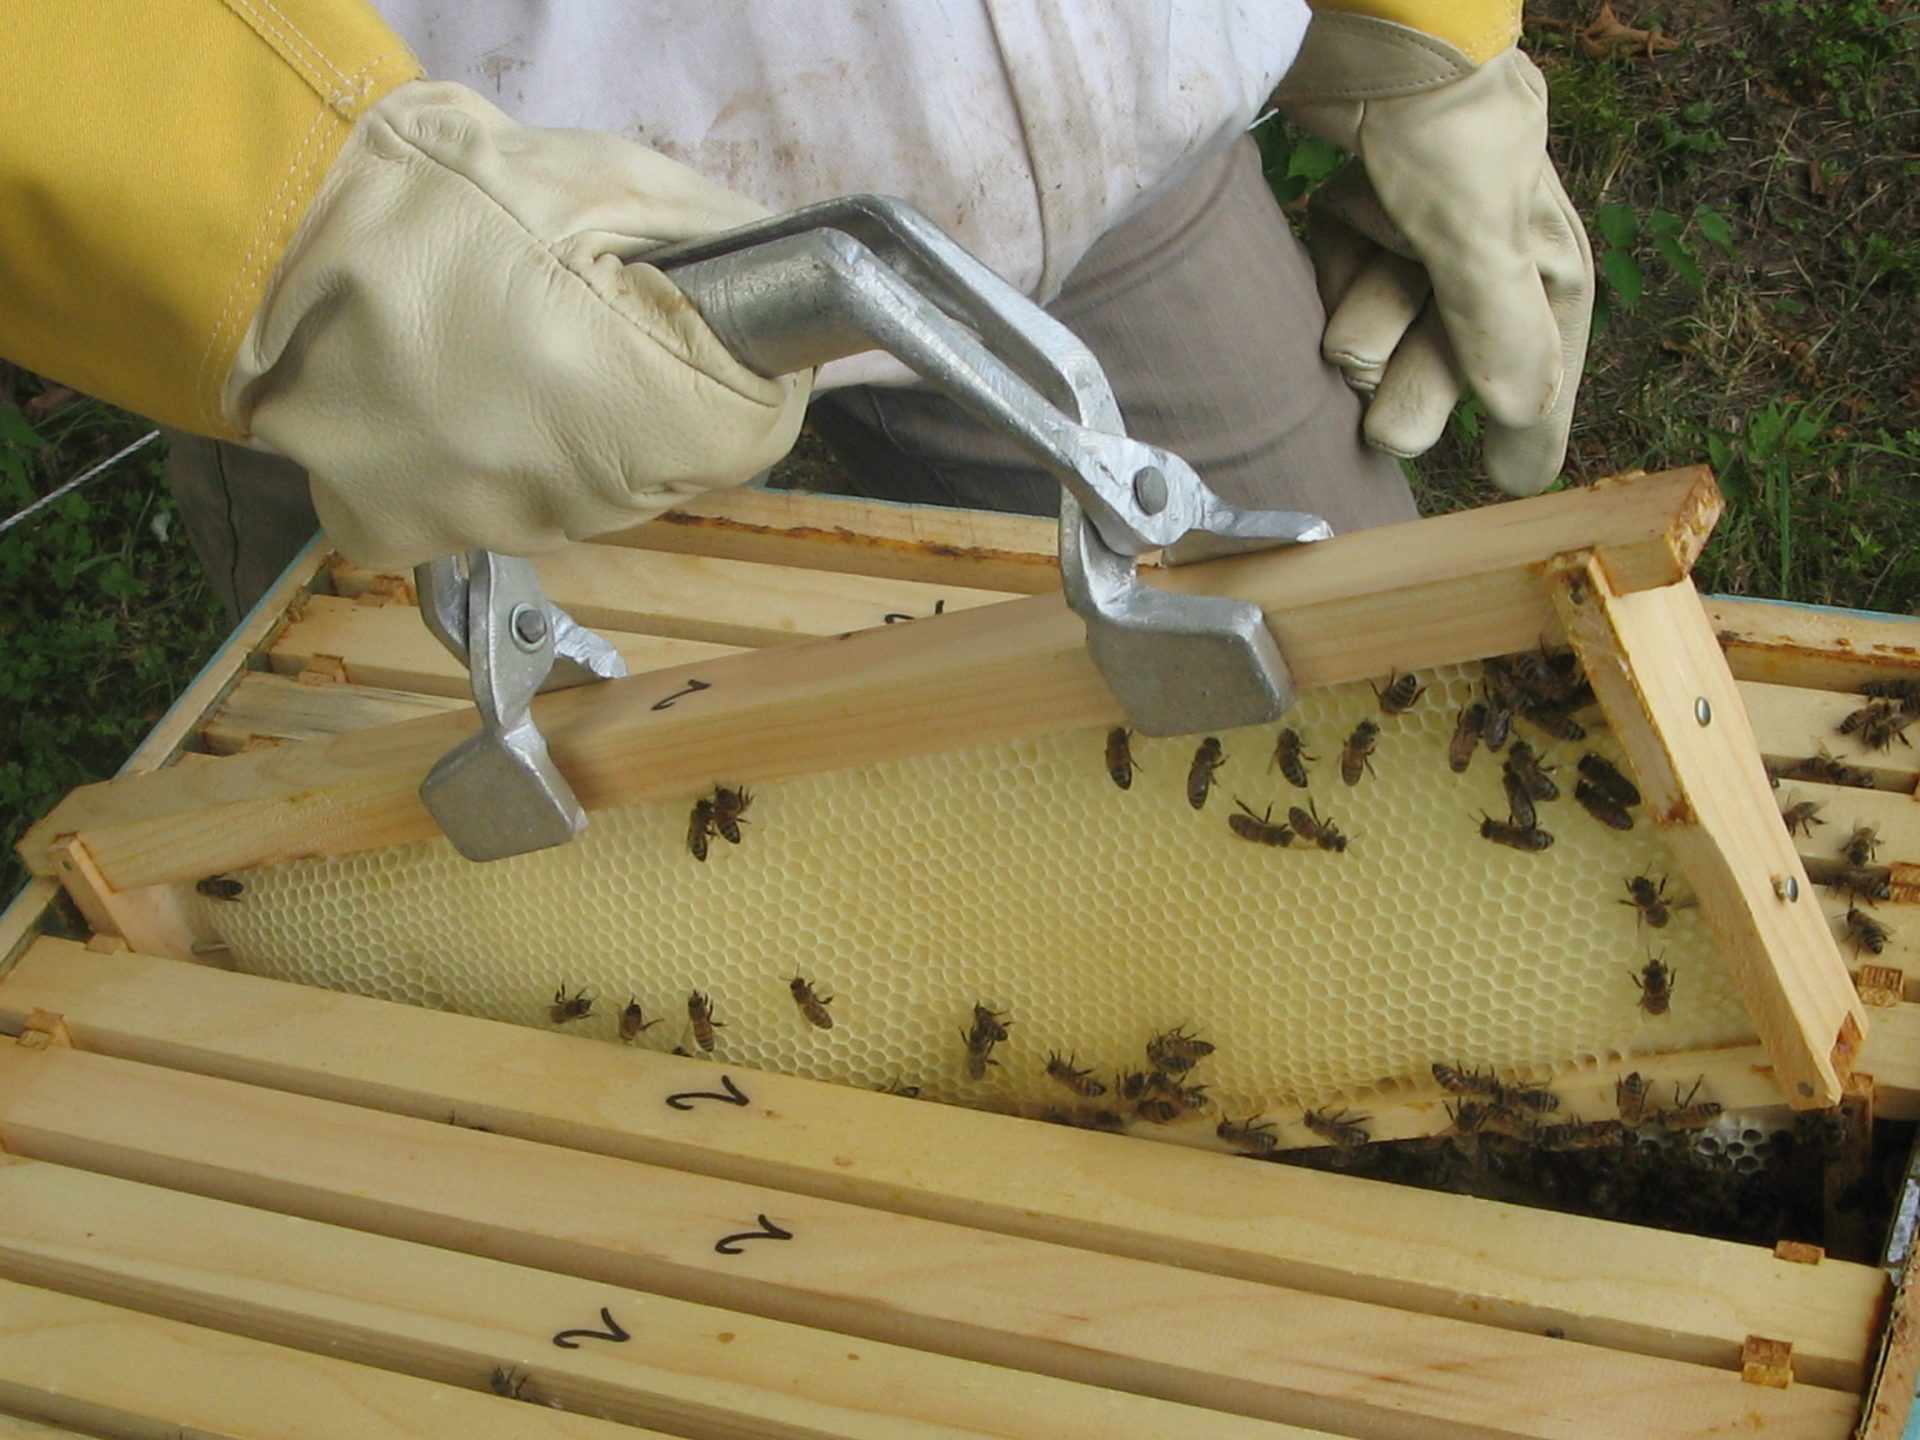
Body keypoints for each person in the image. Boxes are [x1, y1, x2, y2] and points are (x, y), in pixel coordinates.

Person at [2, 2, 1590, 615]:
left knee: (1357, 697)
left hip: (1110, 147)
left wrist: (1415, 25)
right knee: (485, 949)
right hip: (479, 265)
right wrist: (262, 212)